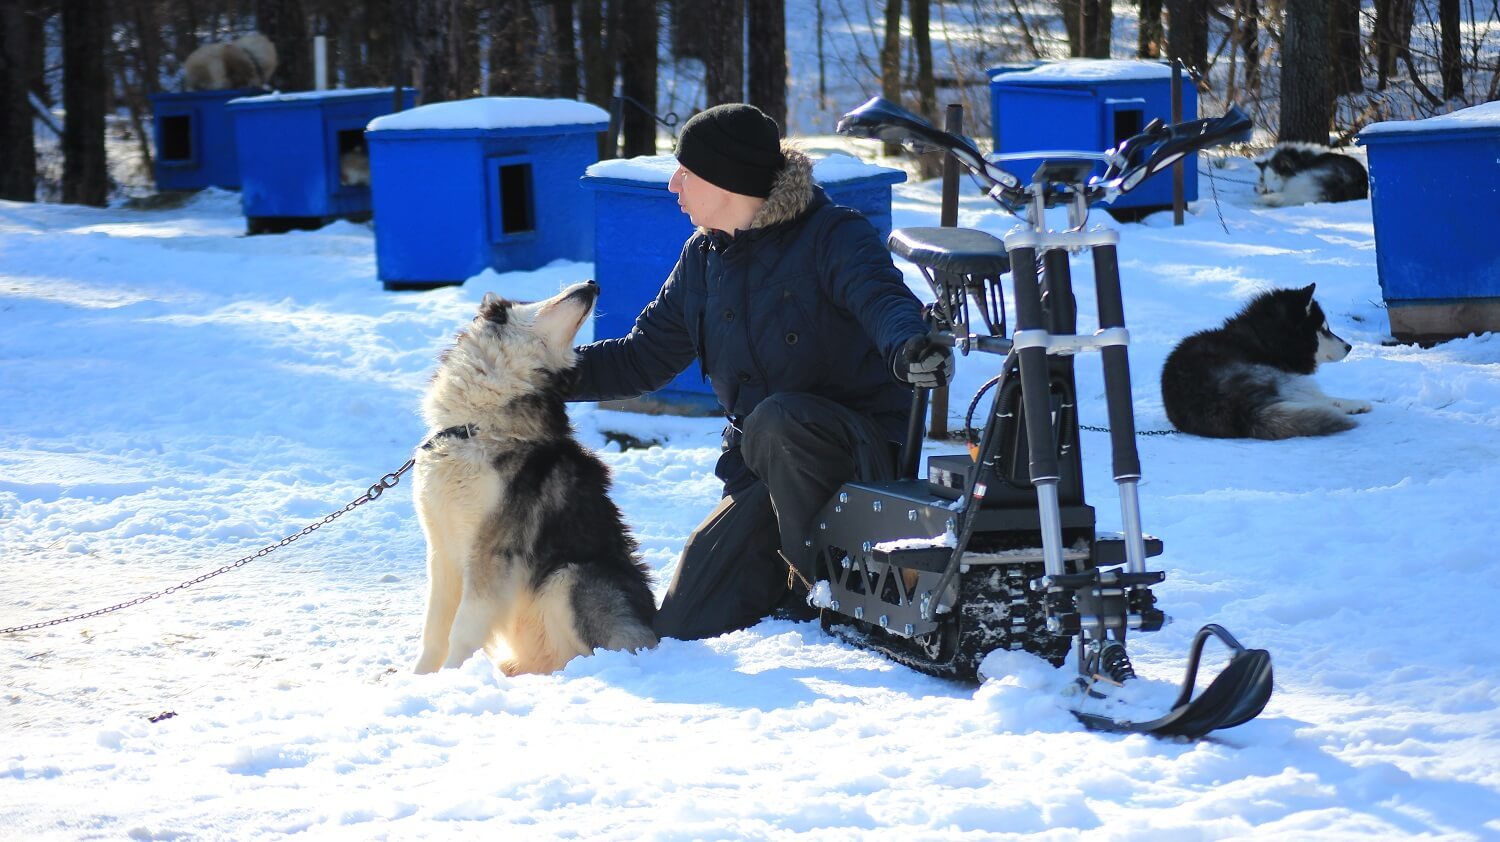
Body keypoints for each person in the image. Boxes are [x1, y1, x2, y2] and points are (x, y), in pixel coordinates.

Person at [566, 103, 953, 641]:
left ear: (727, 180)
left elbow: (883, 298)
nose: (674, 184)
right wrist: (540, 375)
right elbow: (642, 356)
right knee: (683, 624)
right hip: (761, 474)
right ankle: (793, 581)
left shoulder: (832, 234)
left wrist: (909, 346)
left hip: (855, 464)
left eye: (686, 172)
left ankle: (825, 594)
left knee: (777, 418)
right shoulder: (703, 257)